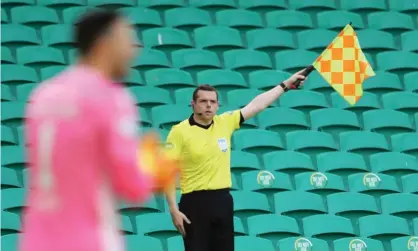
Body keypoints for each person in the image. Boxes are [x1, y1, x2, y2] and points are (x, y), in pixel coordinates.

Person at [19, 10, 161, 251]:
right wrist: (155, 170)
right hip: (88, 240)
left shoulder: (43, 95)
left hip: (37, 240)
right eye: (127, 40)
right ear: (105, 42)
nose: (134, 50)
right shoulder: (111, 97)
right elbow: (132, 186)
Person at [164, 73, 307, 251]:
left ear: (218, 105)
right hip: (194, 203)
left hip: (222, 200)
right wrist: (173, 209)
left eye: (213, 102)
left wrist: (285, 85)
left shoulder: (225, 122)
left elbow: (257, 105)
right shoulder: (179, 131)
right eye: (203, 101)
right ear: (193, 104)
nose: (208, 105)